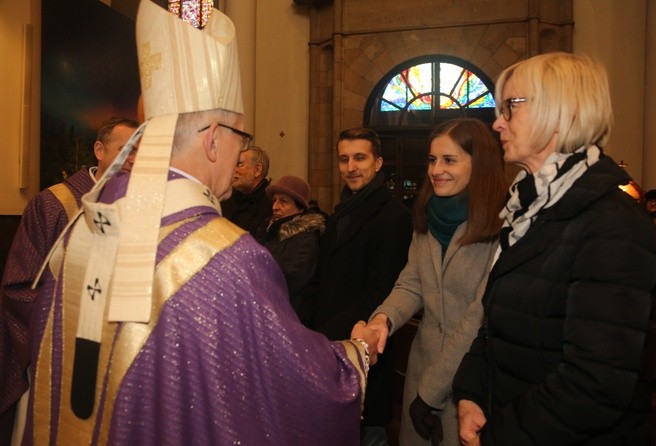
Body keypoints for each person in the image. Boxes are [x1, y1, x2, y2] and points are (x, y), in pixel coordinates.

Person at [0, 1, 380, 444]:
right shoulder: (224, 256)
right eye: (242, 137)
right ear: (215, 139)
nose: (242, 153)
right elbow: (293, 384)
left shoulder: (83, 228)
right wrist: (359, 354)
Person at [453, 52, 656, 445]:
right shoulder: (526, 212)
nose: (497, 122)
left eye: (511, 107)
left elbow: (595, 385)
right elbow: (495, 328)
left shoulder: (613, 223)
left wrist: (497, 436)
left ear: (561, 112)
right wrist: (471, 393)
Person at [367, 118, 507, 446]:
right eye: (432, 160)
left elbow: (479, 316)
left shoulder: (502, 227)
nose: (436, 169)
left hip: (468, 382)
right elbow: (411, 284)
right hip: (422, 368)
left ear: (480, 164)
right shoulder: (428, 218)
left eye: (449, 160)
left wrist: (430, 391)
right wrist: (382, 319)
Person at [0, 116, 138, 441]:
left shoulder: (141, 210)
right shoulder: (54, 203)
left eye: (140, 152)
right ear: (99, 150)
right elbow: (18, 286)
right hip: (57, 348)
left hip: (116, 351)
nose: (133, 159)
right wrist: (67, 325)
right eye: (125, 149)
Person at [307, 126, 414, 444]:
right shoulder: (341, 213)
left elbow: (381, 292)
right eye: (343, 159)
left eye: (360, 158)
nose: (350, 167)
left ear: (378, 163)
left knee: (366, 433)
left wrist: (327, 334)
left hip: (363, 349)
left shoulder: (394, 216)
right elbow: (321, 278)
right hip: (329, 348)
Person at [263, 175, 325, 322]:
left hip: (287, 317)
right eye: (274, 200)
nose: (275, 207)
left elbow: (289, 278)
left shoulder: (305, 238)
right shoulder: (271, 230)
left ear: (299, 208)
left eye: (283, 202)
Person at [219, 145, 273, 240]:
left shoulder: (272, 203)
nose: (233, 170)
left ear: (257, 170)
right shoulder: (227, 197)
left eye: (239, 164)